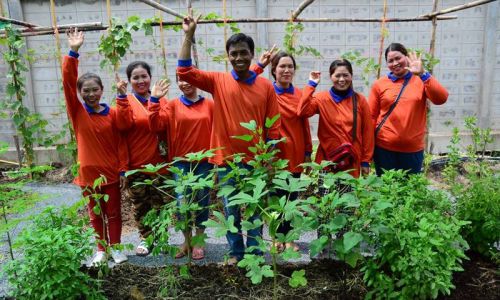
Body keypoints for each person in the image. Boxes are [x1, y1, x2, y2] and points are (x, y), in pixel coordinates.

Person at [177, 12, 280, 264]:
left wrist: (270, 160)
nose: (238, 58)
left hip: (256, 161)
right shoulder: (218, 81)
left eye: (243, 52)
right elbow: (184, 70)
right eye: (233, 53)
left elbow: (273, 127)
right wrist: (189, 35)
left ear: (251, 54)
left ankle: (255, 254)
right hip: (227, 161)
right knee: (231, 209)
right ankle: (236, 253)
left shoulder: (266, 86)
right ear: (228, 56)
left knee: (255, 209)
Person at [62, 27, 127, 265]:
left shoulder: (112, 114)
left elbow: (121, 143)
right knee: (95, 213)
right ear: (79, 94)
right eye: (85, 91)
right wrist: (73, 52)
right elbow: (67, 82)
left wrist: (122, 169)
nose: (91, 94)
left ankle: (116, 247)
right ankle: (101, 249)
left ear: (102, 90)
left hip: (110, 173)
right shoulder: (78, 112)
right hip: (88, 174)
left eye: (95, 89)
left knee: (114, 213)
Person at [148, 75, 214, 260]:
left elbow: (218, 131)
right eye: (180, 80)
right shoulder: (172, 105)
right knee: (181, 202)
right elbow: (155, 126)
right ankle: (186, 240)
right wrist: (154, 100)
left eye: (188, 78)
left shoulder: (210, 105)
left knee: (202, 201)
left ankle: (199, 240)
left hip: (204, 163)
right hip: (181, 163)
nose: (185, 83)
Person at [253, 51, 312, 252]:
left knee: (291, 198)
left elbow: (305, 125)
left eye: (290, 66)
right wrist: (258, 65)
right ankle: (277, 237)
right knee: (274, 199)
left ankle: (289, 239)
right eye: (282, 66)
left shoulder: (300, 94)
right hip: (273, 156)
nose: (286, 70)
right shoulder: (266, 92)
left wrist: (308, 152)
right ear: (273, 70)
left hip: (294, 153)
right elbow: (246, 81)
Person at [115, 61, 170, 256]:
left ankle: (161, 238)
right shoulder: (126, 101)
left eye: (144, 76)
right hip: (136, 166)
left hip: (159, 166)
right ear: (129, 81)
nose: (140, 81)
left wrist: (156, 100)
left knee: (160, 204)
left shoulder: (161, 99)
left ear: (150, 77)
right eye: (135, 77)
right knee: (140, 206)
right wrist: (121, 97)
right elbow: (122, 127)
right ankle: (146, 238)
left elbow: (164, 128)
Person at [369, 43, 448, 175]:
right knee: (385, 190)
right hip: (383, 148)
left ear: (406, 57)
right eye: (390, 61)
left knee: (409, 190)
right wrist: (368, 148)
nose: (395, 63)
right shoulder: (379, 84)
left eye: (398, 58)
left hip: (412, 149)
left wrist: (423, 74)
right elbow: (371, 116)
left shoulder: (420, 80)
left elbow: (441, 98)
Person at [297, 59, 374, 179]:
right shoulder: (322, 98)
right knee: (325, 196)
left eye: (345, 75)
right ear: (330, 77)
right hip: (326, 161)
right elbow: (302, 112)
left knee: (348, 196)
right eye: (337, 75)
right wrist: (311, 85)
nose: (342, 79)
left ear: (351, 76)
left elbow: (368, 133)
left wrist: (365, 161)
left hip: (351, 161)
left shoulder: (360, 100)